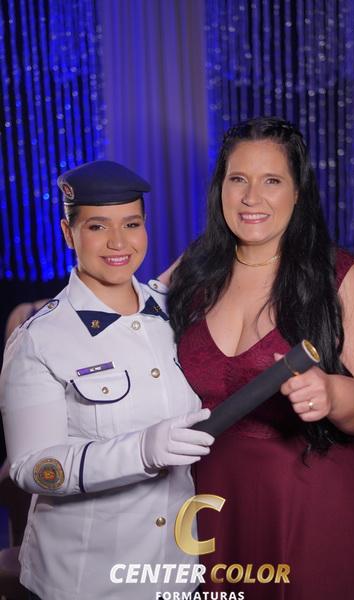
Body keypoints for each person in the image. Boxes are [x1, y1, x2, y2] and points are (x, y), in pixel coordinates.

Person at [166, 117, 354, 599]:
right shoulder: (194, 269)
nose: (252, 197)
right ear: (221, 188)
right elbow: (125, 315)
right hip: (211, 502)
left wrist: (333, 392)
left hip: (313, 503)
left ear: (297, 192)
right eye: (238, 179)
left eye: (272, 180)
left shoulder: (337, 275)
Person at [0, 160, 214, 600]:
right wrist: (140, 451)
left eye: (131, 224)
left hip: (177, 571)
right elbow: (33, 468)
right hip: (86, 581)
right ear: (68, 233)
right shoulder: (40, 338)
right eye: (97, 226)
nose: (119, 242)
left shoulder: (175, 312)